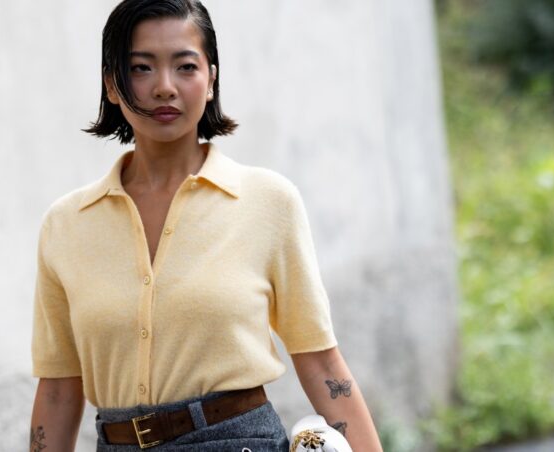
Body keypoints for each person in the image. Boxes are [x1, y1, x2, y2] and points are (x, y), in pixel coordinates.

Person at [28, 1, 383, 450]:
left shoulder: (267, 202)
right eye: (141, 68)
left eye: (185, 66)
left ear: (211, 80)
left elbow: (321, 363)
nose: (164, 87)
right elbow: (58, 389)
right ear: (112, 85)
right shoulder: (66, 225)